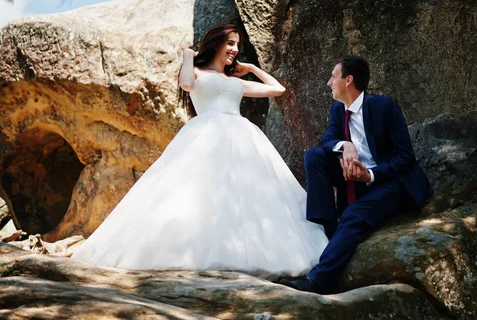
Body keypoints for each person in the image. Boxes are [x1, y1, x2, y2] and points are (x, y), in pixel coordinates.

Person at [71, 24, 328, 277]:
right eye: (230, 43)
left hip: (242, 138)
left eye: (237, 45)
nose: (234, 50)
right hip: (205, 136)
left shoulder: (235, 82)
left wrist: (249, 68)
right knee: (198, 194)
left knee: (243, 194)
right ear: (216, 43)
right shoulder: (195, 72)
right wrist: (186, 56)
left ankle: (246, 251)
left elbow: (278, 89)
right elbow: (185, 84)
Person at [277, 55, 433, 294]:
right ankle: (329, 233)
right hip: (356, 180)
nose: (329, 82)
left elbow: (405, 158)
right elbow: (328, 141)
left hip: (393, 183)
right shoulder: (338, 110)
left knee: (353, 215)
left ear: (348, 80)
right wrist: (345, 146)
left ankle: (318, 281)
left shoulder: (384, 106)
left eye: (333, 76)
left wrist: (369, 175)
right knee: (314, 157)